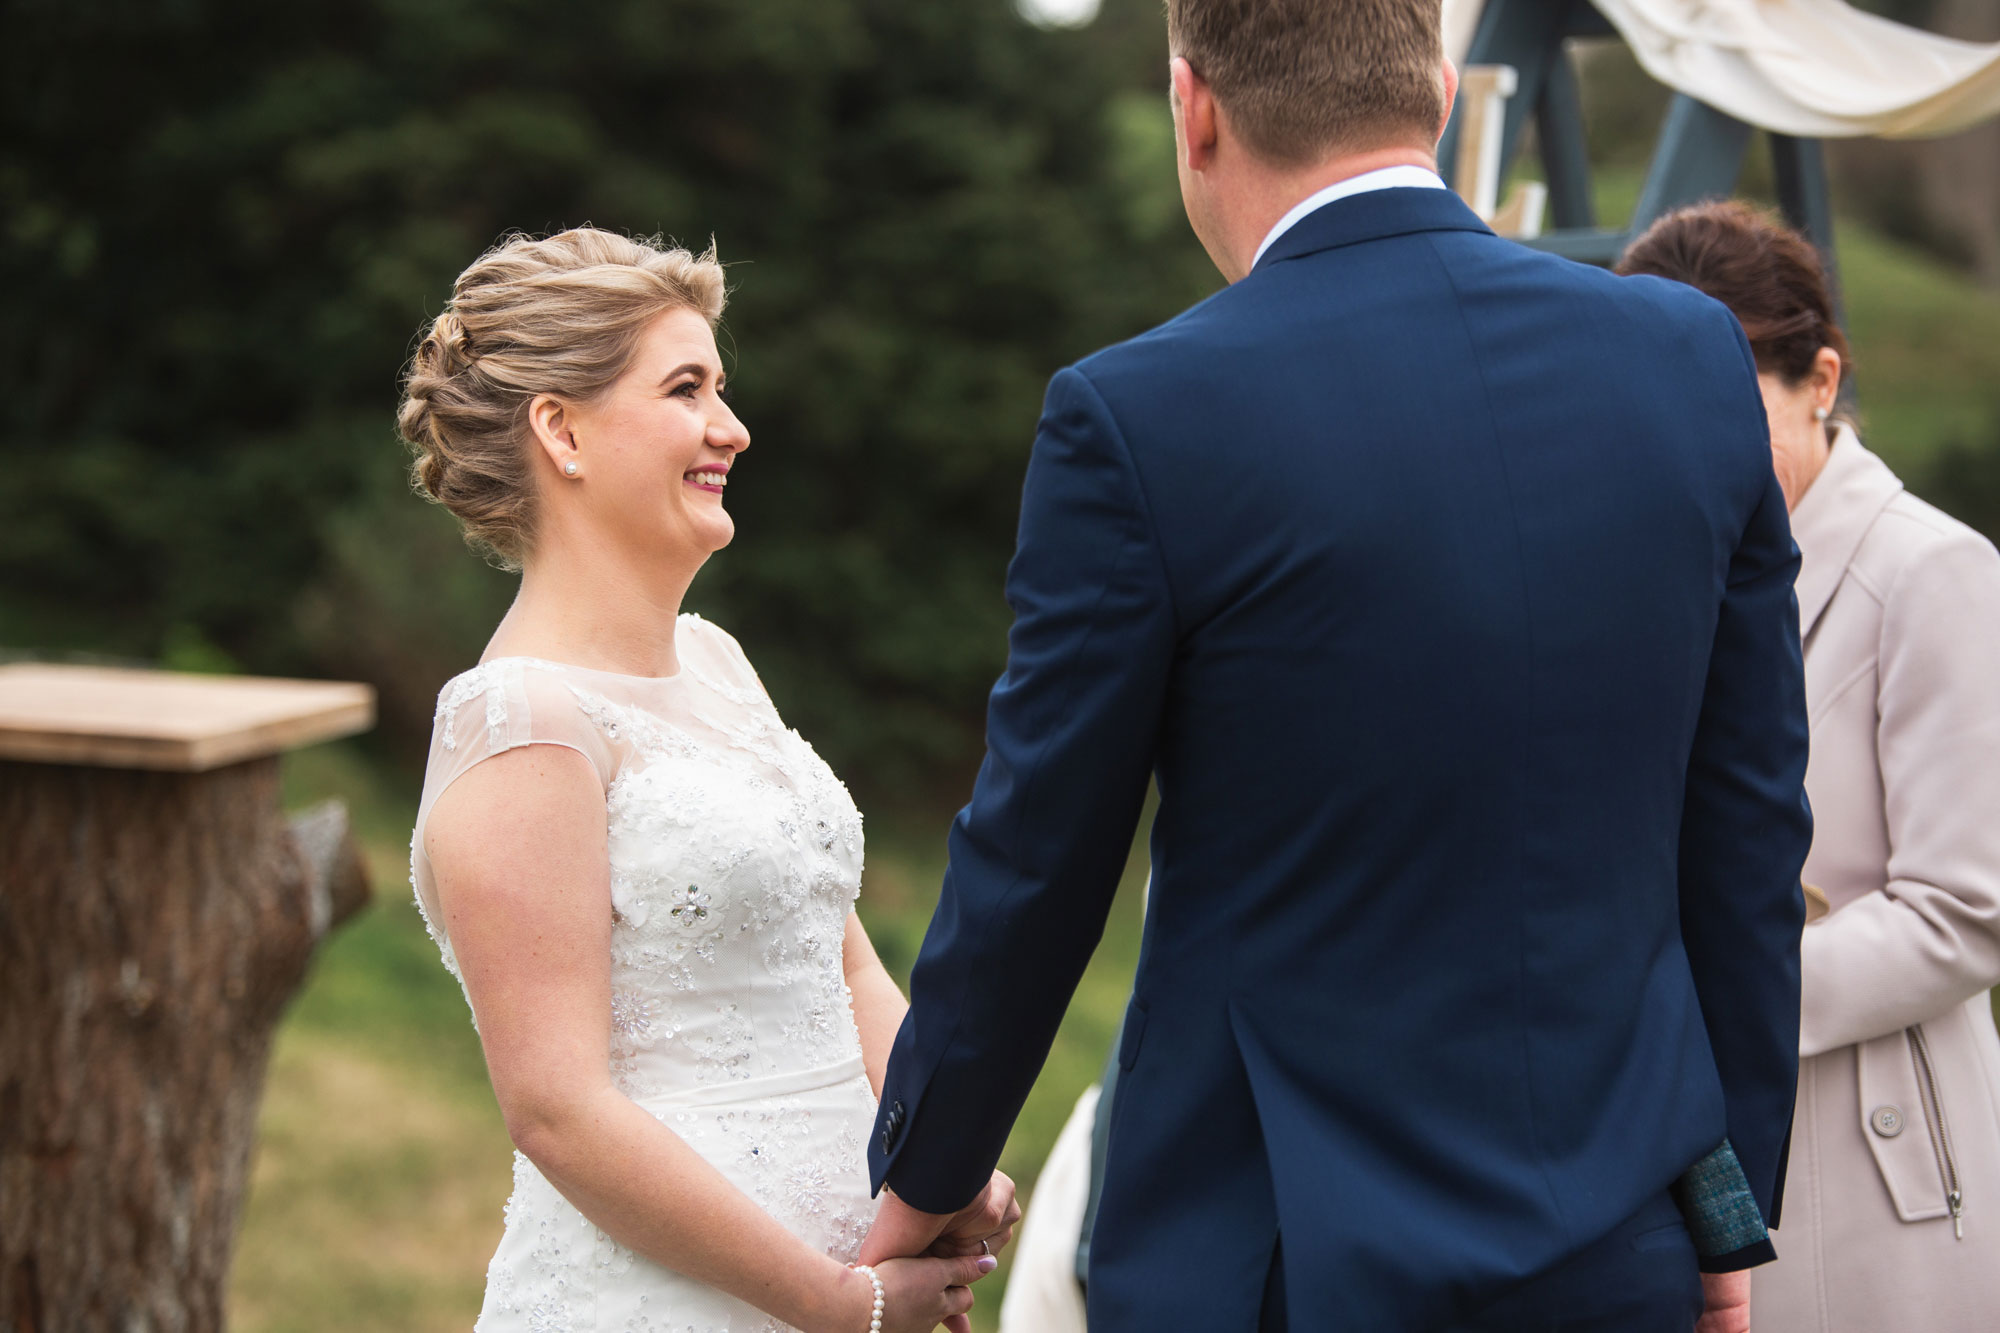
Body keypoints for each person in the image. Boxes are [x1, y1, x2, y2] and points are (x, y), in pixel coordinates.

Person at [855, 0, 1813, 1328]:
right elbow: (1748, 829)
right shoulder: (1687, 359)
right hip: (1619, 1248)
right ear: (1437, 88)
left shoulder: (1141, 416)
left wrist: (920, 1178)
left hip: (1280, 1266)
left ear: (1194, 107)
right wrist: (1726, 1209)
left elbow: (1038, 860)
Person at [398, 228, 1017, 1333]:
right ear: (562, 430)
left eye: (720, 389)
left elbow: (840, 958)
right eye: (686, 389)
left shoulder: (717, 659)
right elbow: (558, 1111)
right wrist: (837, 1302)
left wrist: (946, 1163)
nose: (730, 427)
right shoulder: (520, 723)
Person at [1621, 202, 2000, 1333]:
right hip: (1674, 1156)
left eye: (1732, 414)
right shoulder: (1639, 575)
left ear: (1820, 378)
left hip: (1870, 1167)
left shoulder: (1932, 571)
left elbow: (1961, 910)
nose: (1696, 456)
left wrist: (1708, 996)